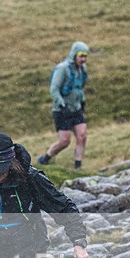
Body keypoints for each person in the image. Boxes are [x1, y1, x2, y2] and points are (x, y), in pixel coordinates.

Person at [36, 41, 90, 170]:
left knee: (82, 135)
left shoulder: (82, 69)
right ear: (74, 55)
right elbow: (54, 89)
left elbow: (80, 88)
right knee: (65, 141)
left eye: (85, 56)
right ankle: (45, 159)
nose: (83, 59)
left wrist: (82, 102)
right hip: (61, 110)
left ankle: (78, 166)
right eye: (81, 55)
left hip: (76, 108)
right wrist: (62, 105)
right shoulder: (62, 68)